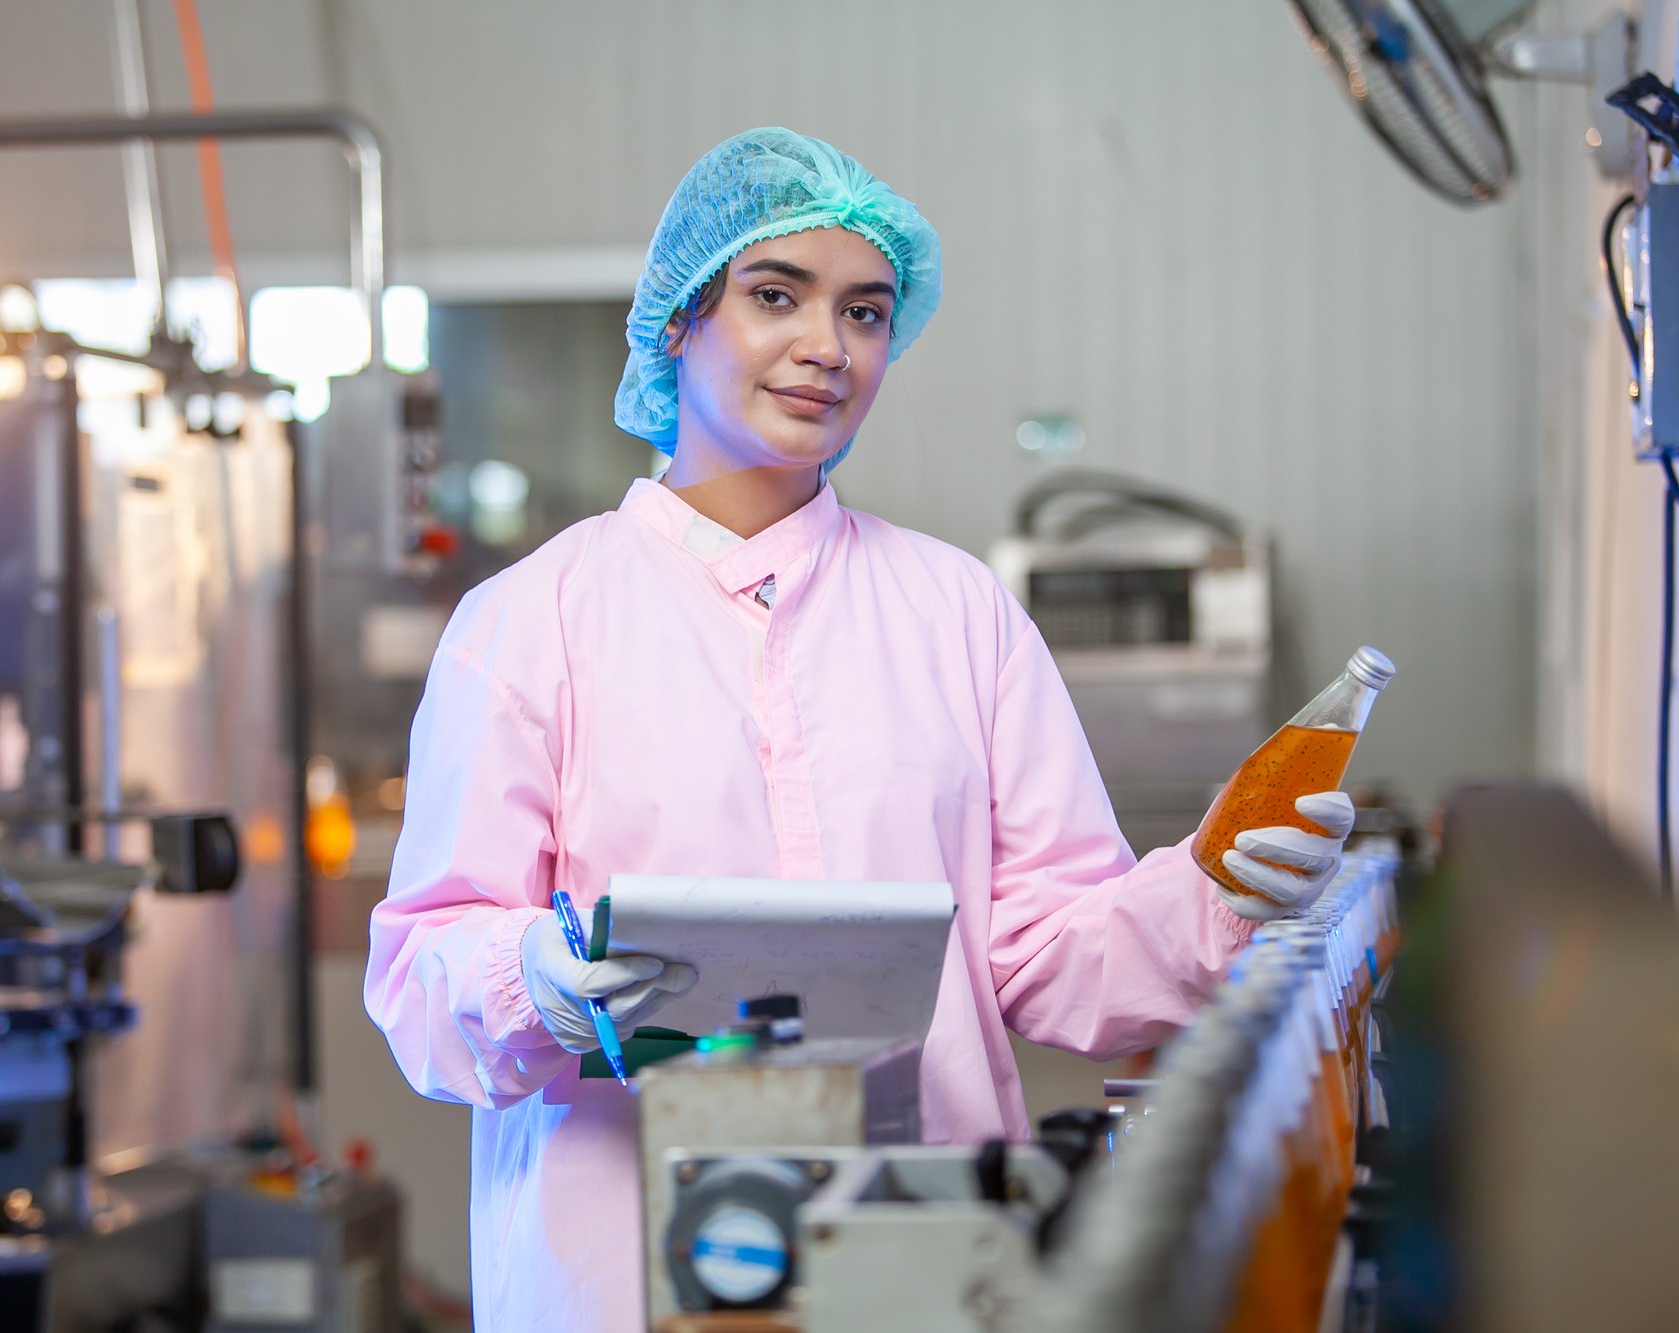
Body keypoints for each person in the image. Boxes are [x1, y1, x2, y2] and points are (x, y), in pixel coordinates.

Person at [364, 127, 1354, 1332]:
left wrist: (1216, 884)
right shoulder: (528, 623)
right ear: (679, 319)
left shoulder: (958, 615)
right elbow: (422, 970)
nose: (825, 347)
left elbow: (1045, 950)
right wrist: (533, 980)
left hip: (924, 1269)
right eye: (775, 295)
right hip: (617, 1273)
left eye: (866, 313)